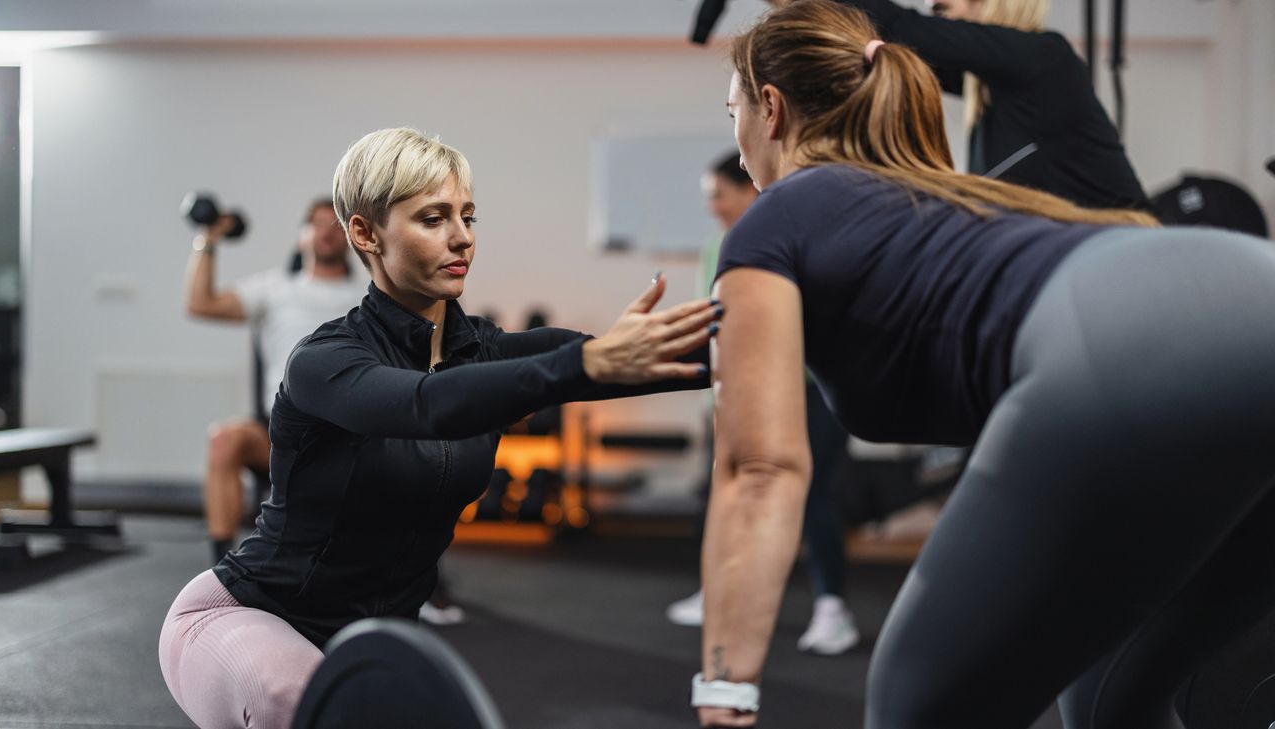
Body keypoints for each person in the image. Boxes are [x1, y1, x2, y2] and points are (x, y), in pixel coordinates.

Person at [692, 3, 1275, 728]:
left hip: (1135, 346)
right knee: (1109, 702)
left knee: (916, 705)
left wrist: (725, 688)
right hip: (1248, 288)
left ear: (770, 110)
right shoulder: (952, 200)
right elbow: (736, 352)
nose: (739, 148)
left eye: (733, 115)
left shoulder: (776, 217)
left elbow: (762, 468)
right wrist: (578, 361)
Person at [160, 127, 721, 729]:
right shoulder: (325, 359)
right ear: (365, 233)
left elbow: (674, 360)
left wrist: (795, 323)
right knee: (295, 699)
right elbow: (427, 406)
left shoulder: (485, 350)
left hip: (377, 643)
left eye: (467, 217)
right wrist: (580, 364)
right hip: (244, 617)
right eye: (432, 219)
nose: (461, 238)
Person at [667, 152, 858, 656]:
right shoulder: (716, 248)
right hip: (739, 392)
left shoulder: (797, 235)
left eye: (717, 195)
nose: (711, 206)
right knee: (725, 493)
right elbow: (711, 324)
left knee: (813, 498)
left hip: (809, 390)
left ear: (746, 189)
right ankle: (719, 594)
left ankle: (832, 610)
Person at [766, 0, 1147, 211]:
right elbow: (902, 48)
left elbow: (901, 28)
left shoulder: (1044, 59)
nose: (936, 3)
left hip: (1123, 257)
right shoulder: (991, 89)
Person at [184, 198, 363, 563]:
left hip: (349, 436)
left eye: (335, 225)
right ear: (301, 237)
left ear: (351, 237)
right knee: (224, 440)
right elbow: (199, 303)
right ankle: (221, 568)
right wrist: (208, 239)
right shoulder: (275, 289)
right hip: (279, 435)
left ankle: (421, 580)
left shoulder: (367, 297)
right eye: (316, 223)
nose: (326, 231)